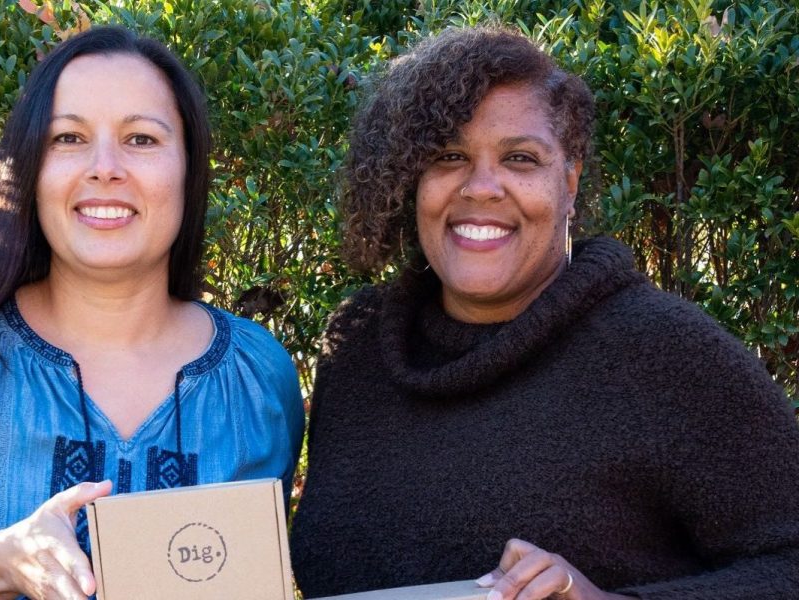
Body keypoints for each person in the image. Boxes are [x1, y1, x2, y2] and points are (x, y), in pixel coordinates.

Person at [290, 25, 799, 600]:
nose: (482, 188)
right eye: (449, 156)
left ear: (569, 182)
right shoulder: (359, 348)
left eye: (520, 158)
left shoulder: (664, 353)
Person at [0, 26, 304, 600]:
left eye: (141, 139)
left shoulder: (258, 377)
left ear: (189, 167)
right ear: (30, 169)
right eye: (68, 138)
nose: (105, 167)